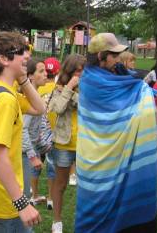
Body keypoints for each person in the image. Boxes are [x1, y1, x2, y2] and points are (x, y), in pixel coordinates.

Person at [75, 33, 157, 233]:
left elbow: (130, 99)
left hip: (111, 159)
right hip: (97, 165)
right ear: (101, 55)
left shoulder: (117, 76)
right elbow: (122, 117)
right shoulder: (91, 84)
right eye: (114, 55)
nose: (119, 59)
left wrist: (143, 90)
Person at [0, 32, 45, 233]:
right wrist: (21, 203)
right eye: (20, 52)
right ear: (3, 59)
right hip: (4, 201)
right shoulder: (4, 100)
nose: (27, 56)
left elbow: (40, 108)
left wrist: (23, 80)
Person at [49, 54, 86, 233]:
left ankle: (86, 220)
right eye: (77, 71)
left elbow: (89, 106)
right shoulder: (59, 89)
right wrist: (69, 88)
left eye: (82, 70)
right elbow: (57, 108)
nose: (80, 74)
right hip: (64, 144)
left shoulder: (89, 88)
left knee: (87, 186)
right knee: (61, 184)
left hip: (86, 145)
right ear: (69, 71)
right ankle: (57, 221)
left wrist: (73, 94)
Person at [22, 58, 55, 212]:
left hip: (32, 146)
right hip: (25, 151)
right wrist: (32, 155)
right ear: (30, 76)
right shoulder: (29, 98)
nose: (45, 74)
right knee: (21, 191)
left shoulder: (35, 94)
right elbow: (23, 129)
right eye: (41, 71)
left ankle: (32, 198)